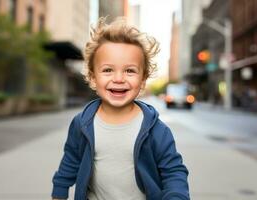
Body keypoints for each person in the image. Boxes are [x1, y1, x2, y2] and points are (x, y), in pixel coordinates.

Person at [51, 17, 190, 200]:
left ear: (143, 80)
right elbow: (71, 160)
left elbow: (174, 172)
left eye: (130, 71)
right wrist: (59, 192)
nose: (118, 79)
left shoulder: (156, 130)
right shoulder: (82, 123)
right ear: (93, 78)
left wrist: (176, 196)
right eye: (108, 70)